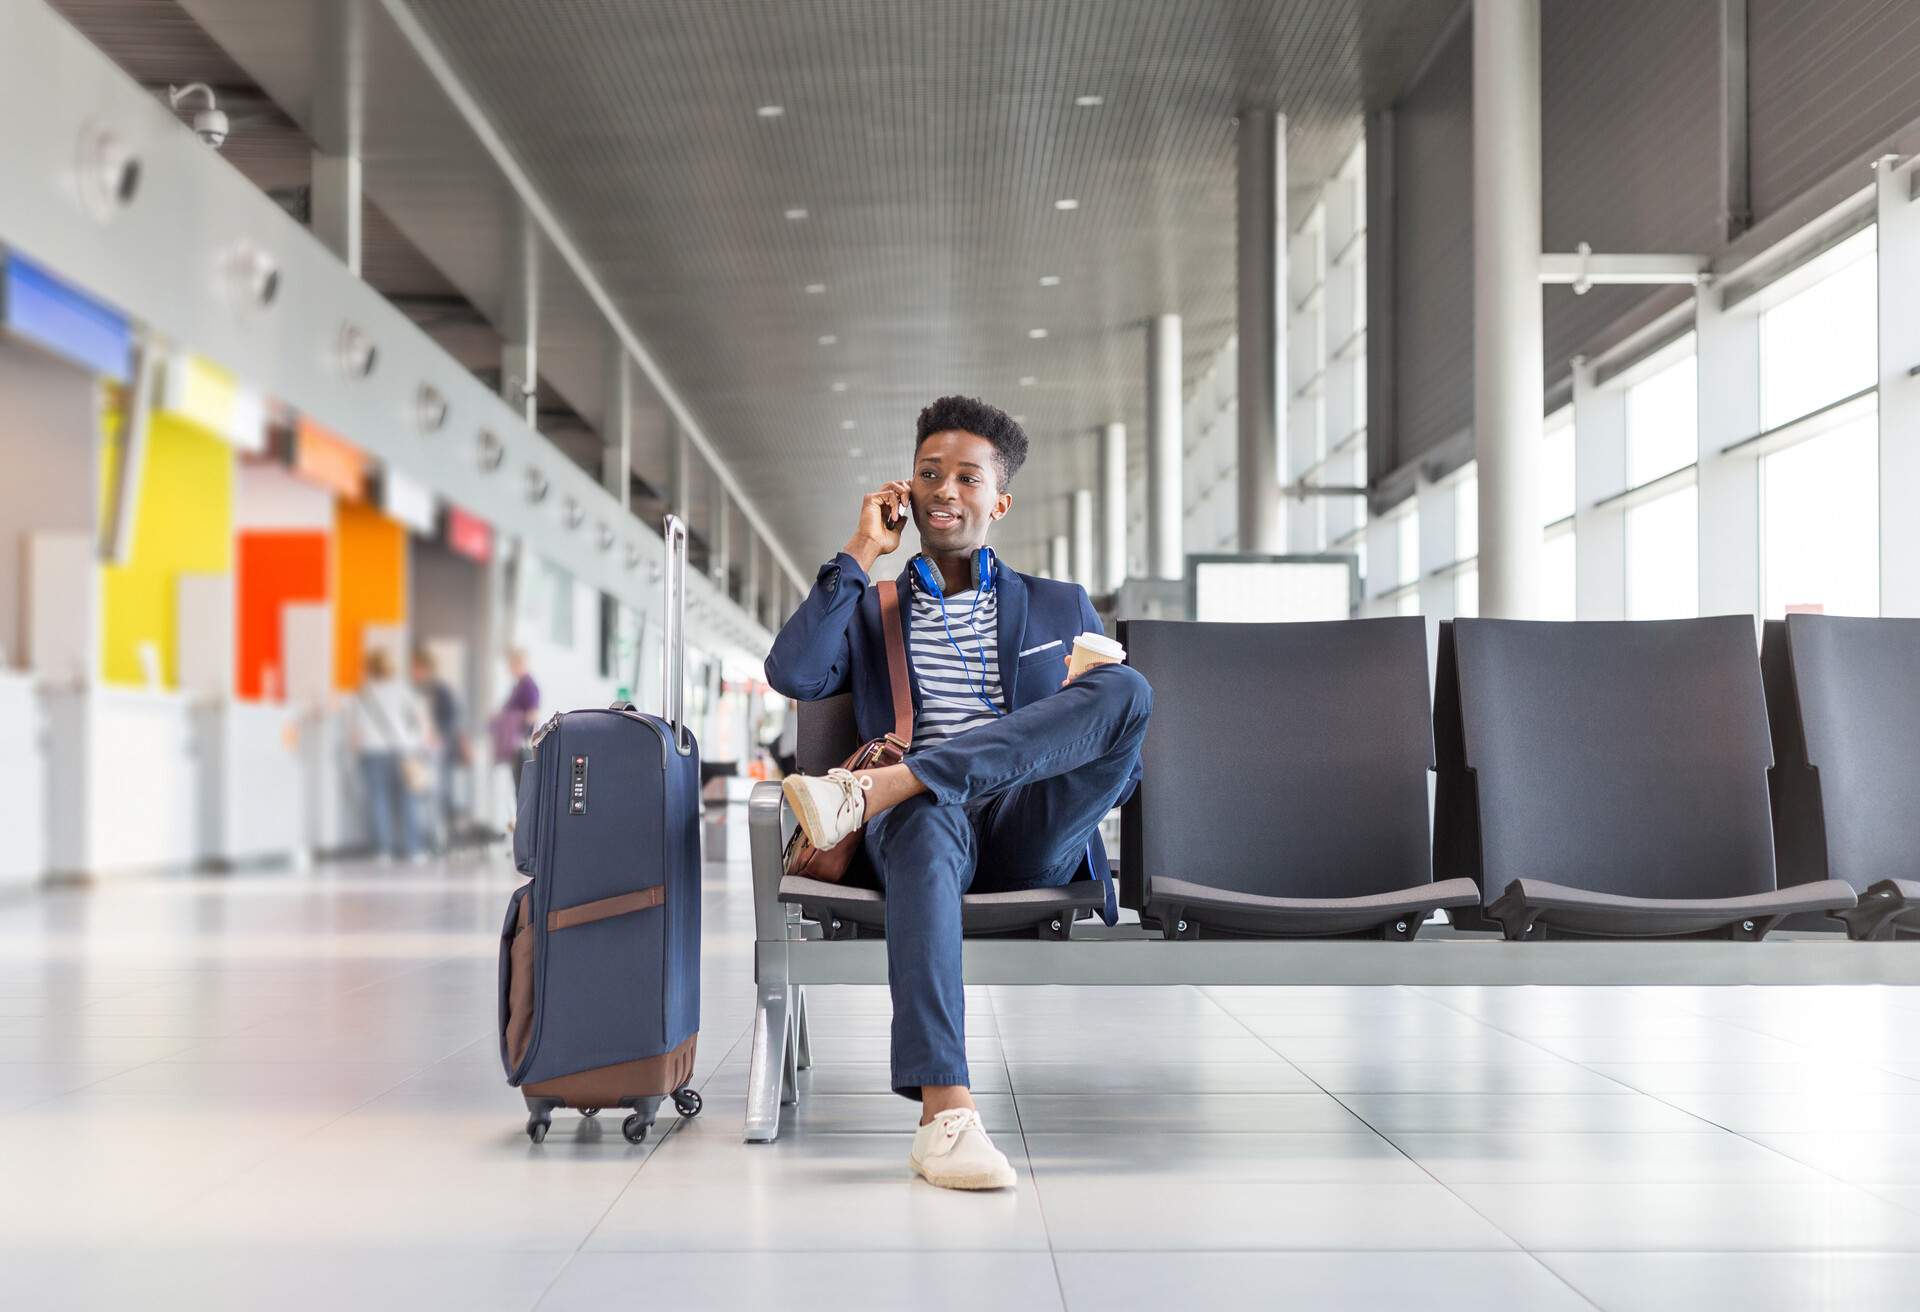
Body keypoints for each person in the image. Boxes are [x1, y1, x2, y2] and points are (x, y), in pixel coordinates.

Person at [766, 394, 1152, 1192]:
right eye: (928, 473)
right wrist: (860, 552)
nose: (945, 489)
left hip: (1027, 823)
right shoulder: (873, 609)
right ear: (905, 490)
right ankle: (946, 1116)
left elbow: (1121, 756)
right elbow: (794, 674)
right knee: (923, 814)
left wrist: (1063, 727)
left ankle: (880, 788)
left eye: (967, 477)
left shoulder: (1057, 604)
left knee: (1127, 690)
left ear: (998, 501)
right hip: (922, 831)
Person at [350, 647, 430, 862]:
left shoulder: (362, 692)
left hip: (372, 752)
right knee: (407, 801)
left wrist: (355, 748)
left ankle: (382, 850)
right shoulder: (402, 689)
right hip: (401, 750)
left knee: (378, 801)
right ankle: (413, 849)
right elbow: (419, 718)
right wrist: (417, 742)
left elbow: (355, 731)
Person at [411, 645, 466, 852]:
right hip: (422, 749)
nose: (414, 672)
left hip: (439, 750)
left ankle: (441, 839)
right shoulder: (418, 690)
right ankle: (430, 837)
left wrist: (439, 736)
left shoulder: (440, 690)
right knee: (425, 794)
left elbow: (451, 719)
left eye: (417, 667)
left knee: (440, 793)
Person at [490, 648, 540, 820]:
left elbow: (532, 713)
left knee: (522, 789)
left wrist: (517, 729)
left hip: (521, 744)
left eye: (511, 665)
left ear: (519, 663)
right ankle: (520, 829)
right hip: (516, 745)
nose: (509, 669)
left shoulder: (528, 685)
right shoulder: (518, 685)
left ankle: (524, 832)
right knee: (517, 789)